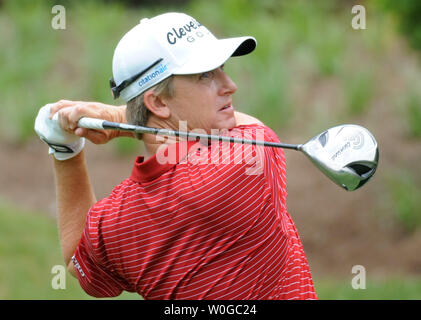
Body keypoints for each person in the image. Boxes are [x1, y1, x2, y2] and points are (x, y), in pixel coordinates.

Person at [35, 12, 317, 300]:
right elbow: (249, 126)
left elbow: (76, 260)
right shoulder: (248, 161)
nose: (230, 84)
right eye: (206, 75)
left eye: (221, 68)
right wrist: (117, 118)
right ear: (157, 102)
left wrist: (64, 150)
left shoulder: (119, 219)